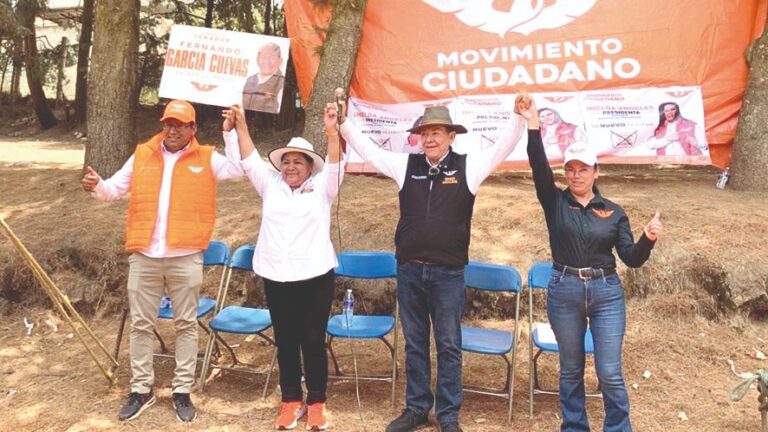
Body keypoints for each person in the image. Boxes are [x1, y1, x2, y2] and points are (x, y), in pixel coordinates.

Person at [339, 101, 526, 432]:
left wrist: (516, 115)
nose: (429, 139)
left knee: (449, 344)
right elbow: (368, 150)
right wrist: (343, 123)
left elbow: (503, 147)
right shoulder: (405, 166)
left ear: (451, 136)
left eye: (436, 132)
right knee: (414, 343)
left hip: (448, 274)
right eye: (424, 133)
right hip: (409, 270)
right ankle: (416, 408)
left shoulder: (469, 166)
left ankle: (448, 413)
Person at [80, 99, 244, 422]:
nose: (171, 130)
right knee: (141, 324)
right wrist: (97, 185)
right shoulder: (143, 153)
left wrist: (231, 133)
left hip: (185, 257)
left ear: (192, 129)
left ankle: (182, 390)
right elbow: (113, 189)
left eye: (179, 125)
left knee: (186, 324)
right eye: (167, 123)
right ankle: (141, 390)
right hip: (145, 255)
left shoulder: (207, 158)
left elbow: (239, 169)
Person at [522, 96, 663, 432]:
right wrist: (532, 126)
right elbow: (537, 165)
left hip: (606, 293)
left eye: (582, 169)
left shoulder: (614, 211)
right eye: (570, 169)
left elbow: (632, 259)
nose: (575, 175)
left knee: (609, 372)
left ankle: (618, 427)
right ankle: (574, 426)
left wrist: (648, 238)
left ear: (596, 171)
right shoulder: (554, 201)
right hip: (565, 289)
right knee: (570, 369)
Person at [224, 103, 343, 431]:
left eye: (298, 162)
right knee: (286, 340)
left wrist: (332, 132)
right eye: (286, 162)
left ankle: (317, 401)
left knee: (312, 339)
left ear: (309, 167)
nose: (291, 167)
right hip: (276, 274)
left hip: (316, 275)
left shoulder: (323, 187)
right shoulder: (270, 184)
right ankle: (290, 400)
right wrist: (242, 123)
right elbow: (249, 158)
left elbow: (334, 164)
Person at [241, 42, 285, 114]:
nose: (267, 61)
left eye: (272, 57)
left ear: (280, 61)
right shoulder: (250, 80)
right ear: (257, 60)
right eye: (263, 57)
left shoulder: (282, 83)